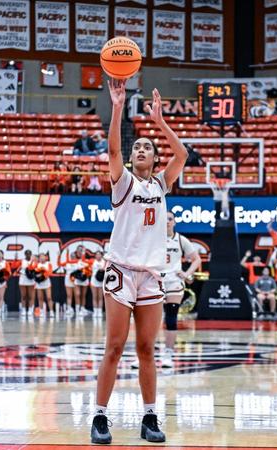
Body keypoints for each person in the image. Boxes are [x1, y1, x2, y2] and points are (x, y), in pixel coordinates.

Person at [91, 80, 187, 445]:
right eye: (138, 147)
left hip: (150, 276)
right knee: (115, 347)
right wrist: (117, 107)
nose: (141, 149)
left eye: (148, 146)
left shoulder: (161, 185)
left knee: (147, 349)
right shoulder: (124, 182)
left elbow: (183, 155)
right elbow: (113, 149)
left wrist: (160, 122)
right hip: (121, 271)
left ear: (155, 158)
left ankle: (149, 417)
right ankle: (100, 416)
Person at [161, 211, 201, 367]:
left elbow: (196, 259)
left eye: (170, 219)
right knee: (151, 320)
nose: (167, 221)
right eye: (164, 219)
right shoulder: (152, 239)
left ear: (174, 222)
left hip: (174, 282)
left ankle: (168, 353)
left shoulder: (180, 239)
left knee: (170, 318)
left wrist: (186, 274)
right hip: (155, 282)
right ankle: (145, 353)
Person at [17, 250, 37, 317]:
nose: (28, 255)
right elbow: (16, 268)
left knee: (31, 296)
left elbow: (34, 269)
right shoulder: (22, 261)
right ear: (25, 254)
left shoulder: (34, 261)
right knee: (23, 296)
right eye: (27, 254)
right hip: (23, 278)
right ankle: (24, 309)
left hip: (30, 279)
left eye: (29, 254)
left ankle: (30, 309)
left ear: (31, 254)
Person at [34, 252, 54, 318]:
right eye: (40, 257)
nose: (42, 258)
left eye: (43, 257)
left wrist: (43, 275)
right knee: (40, 298)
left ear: (45, 257)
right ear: (39, 258)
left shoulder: (48, 264)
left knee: (49, 297)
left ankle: (51, 311)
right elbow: (34, 272)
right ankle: (41, 311)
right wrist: (37, 277)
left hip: (46, 282)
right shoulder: (37, 264)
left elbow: (50, 272)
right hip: (39, 283)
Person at [90, 251, 105, 318]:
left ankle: (99, 311)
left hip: (101, 281)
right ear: (95, 255)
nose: (98, 256)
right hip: (94, 281)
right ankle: (95, 311)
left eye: (99, 254)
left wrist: (103, 269)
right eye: (97, 254)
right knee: (95, 296)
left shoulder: (104, 262)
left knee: (100, 297)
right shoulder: (92, 261)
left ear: (101, 255)